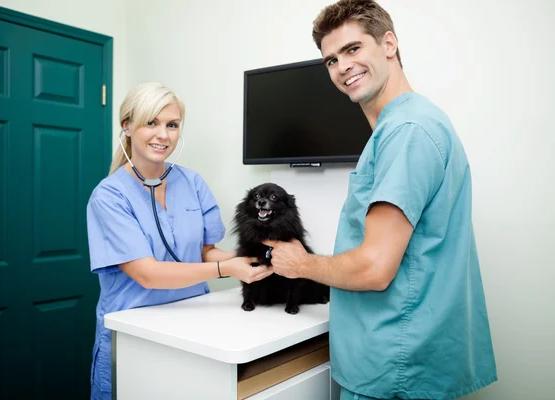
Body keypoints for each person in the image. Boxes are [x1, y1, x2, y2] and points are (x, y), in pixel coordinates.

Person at [262, 1, 498, 399]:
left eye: (353, 49)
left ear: (388, 44)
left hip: (395, 369)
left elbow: (374, 267)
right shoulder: (410, 123)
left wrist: (301, 263)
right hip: (407, 359)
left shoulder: (406, 131)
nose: (342, 67)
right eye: (331, 59)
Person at [86, 82, 272, 400]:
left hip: (191, 326)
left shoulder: (191, 181)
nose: (163, 135)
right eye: (151, 123)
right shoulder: (109, 196)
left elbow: (205, 252)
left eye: (172, 125)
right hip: (134, 331)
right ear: (127, 126)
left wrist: (258, 258)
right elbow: (147, 273)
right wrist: (227, 269)